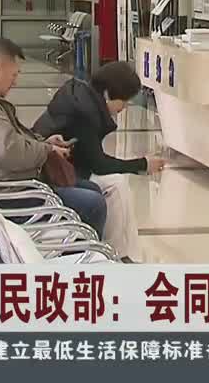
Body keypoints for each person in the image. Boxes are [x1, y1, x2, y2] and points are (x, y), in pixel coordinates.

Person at [0, 37, 107, 237]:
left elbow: (9, 140)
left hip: (6, 184)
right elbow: (11, 151)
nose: (15, 82)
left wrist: (43, 143)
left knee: (91, 188)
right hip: (11, 196)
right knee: (93, 204)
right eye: (14, 74)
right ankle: (81, 253)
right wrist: (47, 150)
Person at [33, 61, 164, 261]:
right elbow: (99, 164)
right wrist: (143, 164)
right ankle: (117, 254)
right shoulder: (85, 112)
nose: (125, 107)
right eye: (123, 100)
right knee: (116, 186)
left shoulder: (80, 97)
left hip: (60, 167)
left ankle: (125, 253)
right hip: (54, 174)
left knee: (117, 184)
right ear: (108, 93)